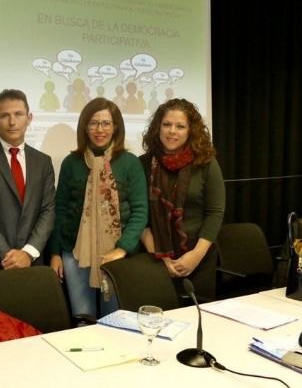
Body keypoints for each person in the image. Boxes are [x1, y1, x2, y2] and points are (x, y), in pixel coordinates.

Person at [49, 98, 148, 317]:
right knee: (83, 316)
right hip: (75, 253)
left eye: (106, 123)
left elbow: (140, 211)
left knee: (114, 318)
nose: (99, 129)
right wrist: (55, 252)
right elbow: (61, 210)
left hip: (117, 254)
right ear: (84, 127)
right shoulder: (71, 162)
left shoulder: (130, 163)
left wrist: (122, 249)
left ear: (116, 128)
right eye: (93, 123)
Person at [139, 98, 225, 302]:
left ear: (190, 131)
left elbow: (215, 213)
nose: (172, 131)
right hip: (155, 259)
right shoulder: (142, 164)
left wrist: (195, 256)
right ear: (157, 128)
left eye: (180, 126)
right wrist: (162, 259)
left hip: (199, 258)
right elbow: (140, 217)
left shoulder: (206, 163)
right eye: (167, 124)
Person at [0, 89, 56, 275]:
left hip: (33, 264)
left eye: (18, 114)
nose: (12, 122)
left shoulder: (43, 161)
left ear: (29, 118)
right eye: (5, 115)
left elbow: (48, 210)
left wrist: (28, 254)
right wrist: (9, 256)